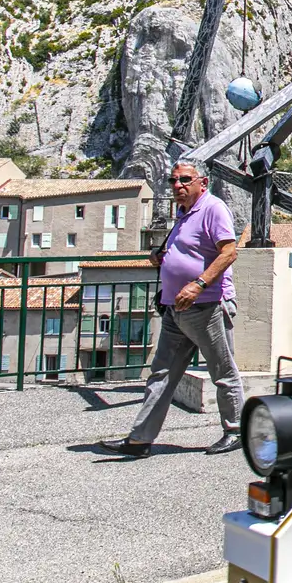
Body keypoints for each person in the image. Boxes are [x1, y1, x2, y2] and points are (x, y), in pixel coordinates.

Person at [102, 161, 245, 457]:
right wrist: (162, 258)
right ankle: (140, 440)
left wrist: (198, 284)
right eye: (173, 180)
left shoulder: (214, 208)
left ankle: (236, 430)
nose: (178, 185)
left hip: (207, 306)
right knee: (161, 374)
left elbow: (229, 252)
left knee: (223, 371)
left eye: (185, 180)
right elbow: (187, 250)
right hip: (174, 309)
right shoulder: (182, 213)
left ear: (202, 183)